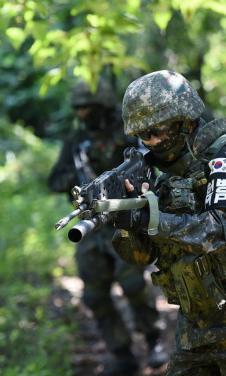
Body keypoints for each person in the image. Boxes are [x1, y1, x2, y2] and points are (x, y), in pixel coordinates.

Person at [110, 70, 226, 375]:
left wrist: (151, 217)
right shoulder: (167, 178)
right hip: (194, 334)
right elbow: (139, 257)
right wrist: (128, 218)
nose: (151, 141)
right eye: (143, 135)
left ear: (185, 120)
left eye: (157, 130)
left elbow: (217, 229)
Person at [48, 78, 168, 376]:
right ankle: (122, 354)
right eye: (78, 108)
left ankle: (154, 340)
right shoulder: (76, 142)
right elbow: (54, 180)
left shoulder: (125, 134)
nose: (82, 114)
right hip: (90, 224)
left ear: (101, 106)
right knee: (94, 295)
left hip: (122, 220)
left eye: (87, 108)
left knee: (132, 283)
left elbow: (147, 168)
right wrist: (78, 182)